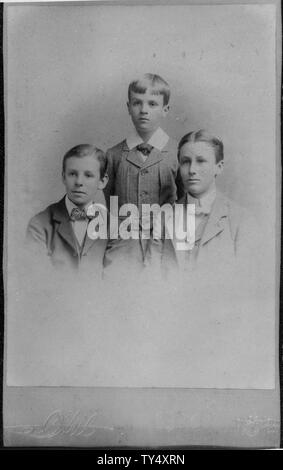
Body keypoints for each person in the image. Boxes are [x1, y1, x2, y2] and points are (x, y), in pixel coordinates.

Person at [150, 129, 259, 277]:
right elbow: (150, 279)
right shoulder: (164, 217)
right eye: (185, 162)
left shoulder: (241, 220)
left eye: (201, 161)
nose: (192, 170)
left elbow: (246, 282)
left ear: (219, 167)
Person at [104, 73, 178, 272]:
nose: (144, 110)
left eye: (152, 104)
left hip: (165, 251)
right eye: (137, 103)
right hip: (122, 252)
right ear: (128, 107)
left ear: (165, 109)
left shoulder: (177, 154)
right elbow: (108, 205)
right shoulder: (113, 156)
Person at [26, 144, 109, 275]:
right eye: (72, 174)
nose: (79, 182)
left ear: (102, 181)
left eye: (88, 175)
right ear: (63, 177)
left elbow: (116, 280)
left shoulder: (114, 226)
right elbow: (38, 279)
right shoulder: (39, 225)